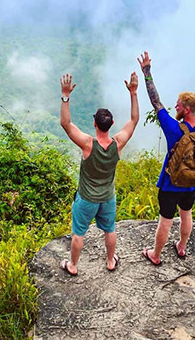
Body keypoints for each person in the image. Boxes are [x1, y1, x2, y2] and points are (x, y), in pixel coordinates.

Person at [139, 50, 195, 265]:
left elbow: (155, 102)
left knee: (166, 220)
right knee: (186, 213)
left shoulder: (173, 129)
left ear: (186, 109)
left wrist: (147, 72)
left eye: (178, 104)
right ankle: (182, 247)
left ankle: (156, 255)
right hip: (193, 182)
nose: (175, 106)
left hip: (171, 184)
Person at [58, 71, 139, 276]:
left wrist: (65, 95)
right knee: (109, 229)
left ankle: (73, 265)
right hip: (107, 197)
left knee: (79, 233)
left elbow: (66, 124)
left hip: (86, 199)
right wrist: (133, 93)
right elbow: (134, 120)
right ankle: (111, 261)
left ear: (95, 124)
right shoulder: (118, 144)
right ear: (111, 125)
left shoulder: (87, 145)